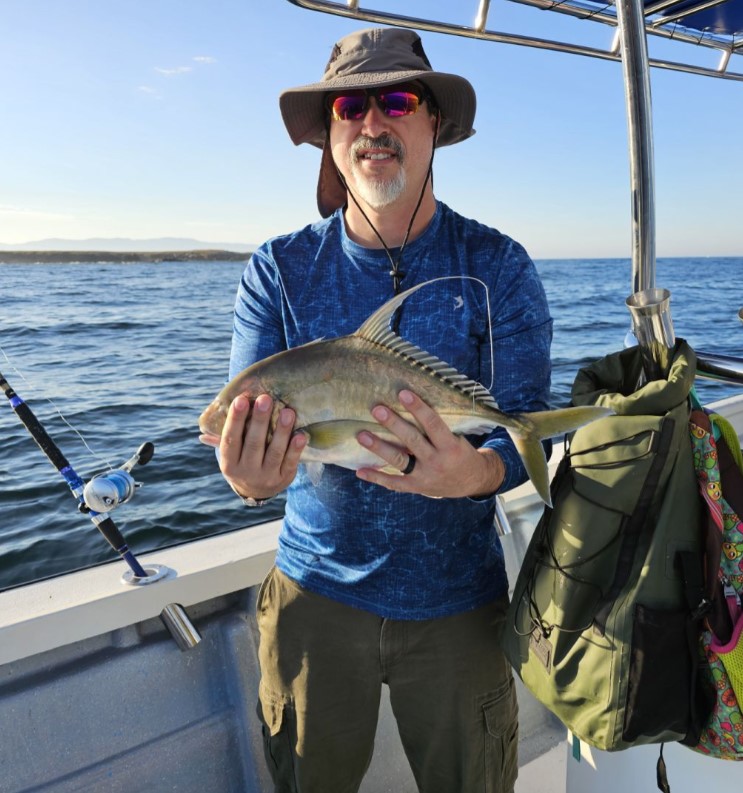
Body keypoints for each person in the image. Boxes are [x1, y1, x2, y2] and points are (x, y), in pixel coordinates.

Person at [204, 26, 553, 793]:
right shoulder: (278, 268)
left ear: (434, 123)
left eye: (396, 100)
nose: (372, 121)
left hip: (459, 604)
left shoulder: (496, 264)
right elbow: (248, 435)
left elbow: (526, 423)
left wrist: (473, 474)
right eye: (349, 107)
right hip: (313, 598)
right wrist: (249, 480)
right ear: (330, 136)